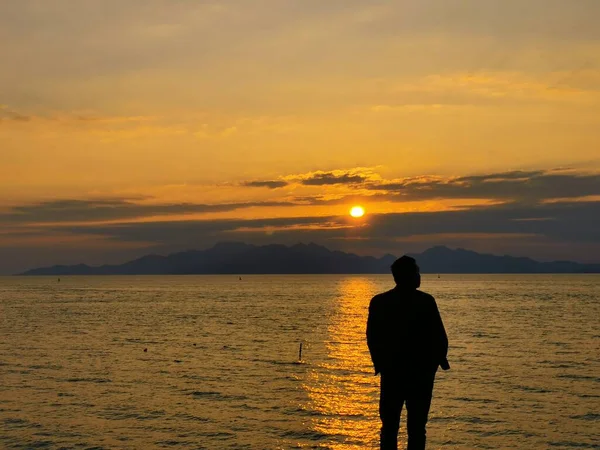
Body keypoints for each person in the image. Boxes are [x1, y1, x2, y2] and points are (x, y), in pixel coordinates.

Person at [366, 255, 449, 450]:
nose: (420, 276)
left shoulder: (380, 302)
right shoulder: (425, 301)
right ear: (408, 276)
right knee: (416, 428)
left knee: (390, 427)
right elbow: (439, 336)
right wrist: (435, 363)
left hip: (393, 373)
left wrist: (380, 364)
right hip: (418, 375)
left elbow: (372, 338)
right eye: (417, 272)